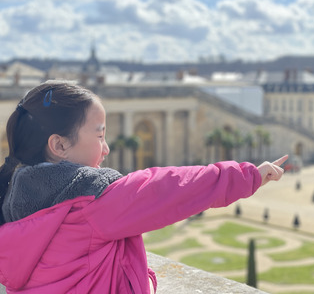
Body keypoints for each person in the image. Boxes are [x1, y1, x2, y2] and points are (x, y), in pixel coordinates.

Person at [0, 80, 287, 293]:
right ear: (59, 144)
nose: (107, 148)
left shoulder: (14, 193)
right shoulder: (92, 201)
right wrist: (249, 175)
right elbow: (170, 188)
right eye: (100, 136)